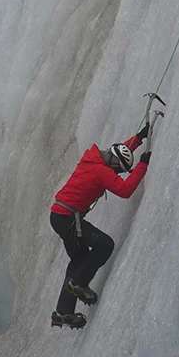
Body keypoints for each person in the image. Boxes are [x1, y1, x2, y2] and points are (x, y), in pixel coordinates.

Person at [49, 121, 153, 328]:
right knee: (105, 245)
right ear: (113, 165)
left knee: (79, 259)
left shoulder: (94, 159)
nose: (117, 174)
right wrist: (142, 165)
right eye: (118, 170)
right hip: (68, 219)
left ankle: (63, 312)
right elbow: (125, 191)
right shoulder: (102, 172)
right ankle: (77, 283)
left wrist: (139, 138)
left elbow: (119, 152)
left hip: (60, 216)